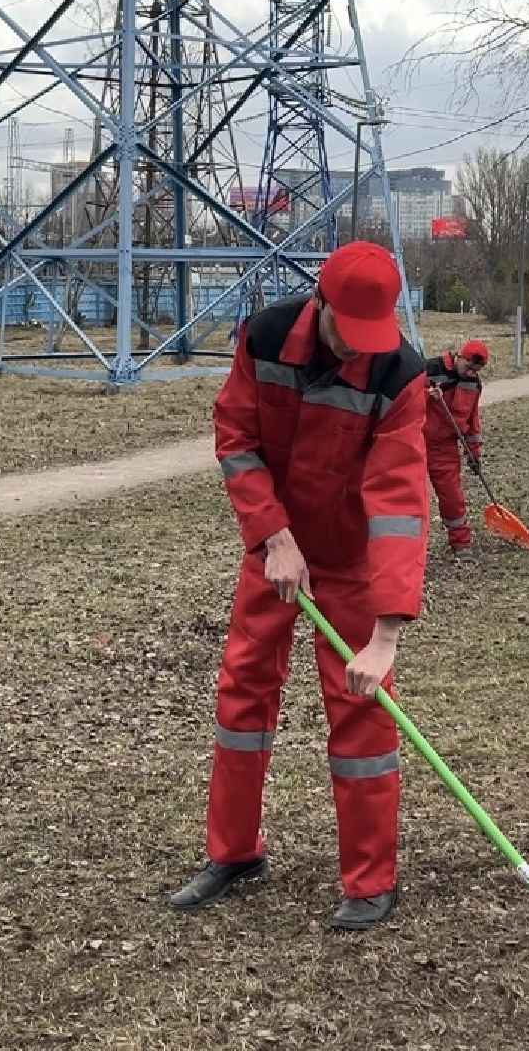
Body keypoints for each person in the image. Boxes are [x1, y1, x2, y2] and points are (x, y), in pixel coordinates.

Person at [175, 240, 430, 931]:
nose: (360, 349)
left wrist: (384, 636)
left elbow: (400, 504)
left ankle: (371, 881)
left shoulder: (399, 374)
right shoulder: (259, 338)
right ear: (320, 304)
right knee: (242, 691)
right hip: (275, 551)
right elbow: (235, 437)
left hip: (353, 563)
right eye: (351, 331)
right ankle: (233, 853)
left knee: (363, 712)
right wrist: (273, 537)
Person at [423, 339, 489, 558]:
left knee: (452, 496)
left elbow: (472, 422)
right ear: (459, 357)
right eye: (469, 367)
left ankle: (461, 542)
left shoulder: (473, 385)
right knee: (413, 497)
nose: (471, 373)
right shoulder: (431, 369)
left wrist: (474, 453)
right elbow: (403, 399)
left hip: (445, 448)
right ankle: (409, 547)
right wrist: (426, 395)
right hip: (416, 443)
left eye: (476, 370)